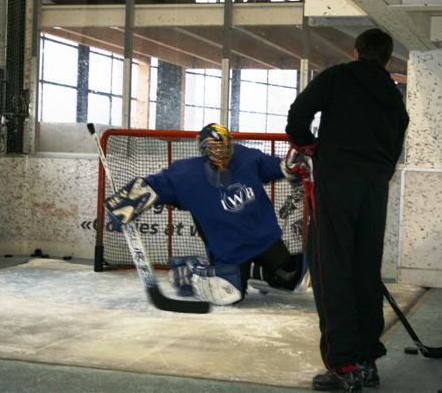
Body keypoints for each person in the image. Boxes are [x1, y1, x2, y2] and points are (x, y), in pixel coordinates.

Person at [285, 28, 409, 392]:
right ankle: (367, 360)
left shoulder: (338, 76)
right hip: (374, 188)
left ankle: (344, 364)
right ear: (387, 59)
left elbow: (299, 114)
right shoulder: (392, 93)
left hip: (338, 183)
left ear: (356, 53)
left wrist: (310, 146)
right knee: (365, 270)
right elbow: (396, 139)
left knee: (332, 270)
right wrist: (378, 172)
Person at [104, 123, 309, 305]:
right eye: (214, 147)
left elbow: (276, 167)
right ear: (203, 148)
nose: (221, 152)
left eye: (224, 145)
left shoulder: (245, 156)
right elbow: (153, 186)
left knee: (294, 278)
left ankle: (260, 272)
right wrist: (123, 205)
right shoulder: (187, 174)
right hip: (231, 251)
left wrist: (291, 166)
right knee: (230, 294)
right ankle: (189, 271)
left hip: (266, 241)